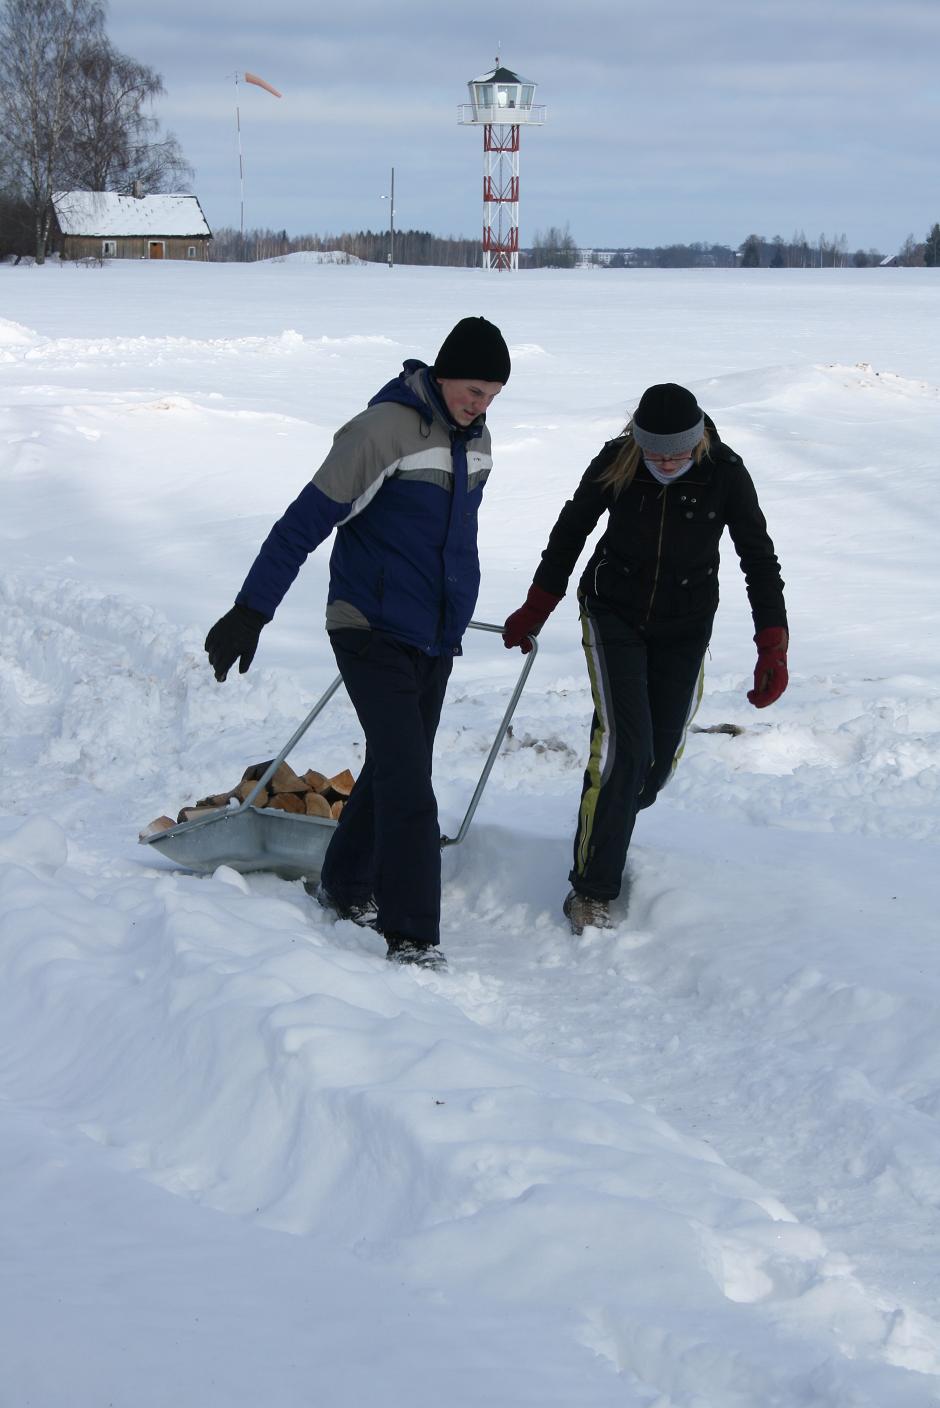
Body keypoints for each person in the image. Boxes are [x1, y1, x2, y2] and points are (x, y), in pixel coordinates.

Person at [205, 317, 511, 968]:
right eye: (470, 389)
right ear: (441, 373)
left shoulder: (476, 441)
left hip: (433, 635)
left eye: (490, 394)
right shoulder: (380, 432)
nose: (478, 404)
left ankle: (344, 886)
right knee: (410, 784)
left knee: (391, 767)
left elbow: (454, 543)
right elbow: (302, 524)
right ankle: (412, 935)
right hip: (367, 624)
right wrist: (250, 610)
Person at [502, 383, 788, 936]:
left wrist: (771, 642)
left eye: (676, 453)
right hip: (613, 613)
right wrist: (538, 605)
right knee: (623, 750)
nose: (665, 462)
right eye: (655, 452)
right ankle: (592, 890)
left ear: (697, 440)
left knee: (651, 766)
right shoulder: (617, 461)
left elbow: (759, 556)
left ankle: (610, 820)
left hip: (685, 623)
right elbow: (570, 532)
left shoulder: (725, 470)